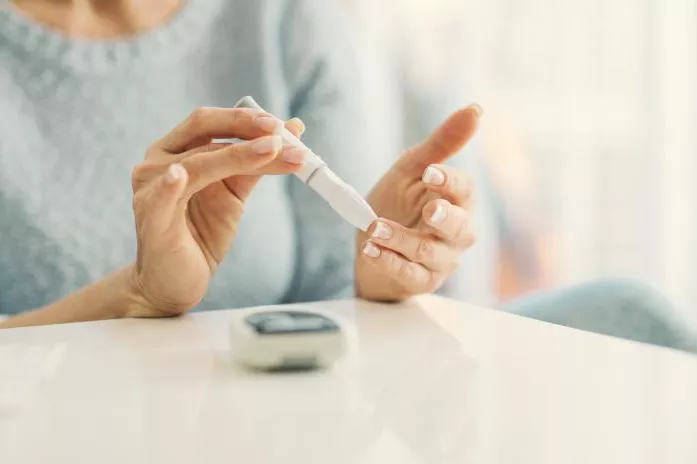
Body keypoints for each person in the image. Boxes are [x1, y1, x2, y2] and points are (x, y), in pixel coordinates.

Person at [0, 0, 695, 354]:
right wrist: (136, 298)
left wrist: (380, 275)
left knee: (632, 319)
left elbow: (336, 307)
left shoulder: (282, 14)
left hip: (290, 422)